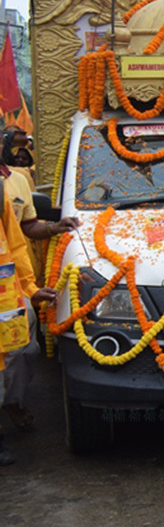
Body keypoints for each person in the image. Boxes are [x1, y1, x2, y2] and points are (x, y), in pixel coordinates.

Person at [0, 188, 57, 465]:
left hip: (5, 293)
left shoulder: (0, 190)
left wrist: (30, 288)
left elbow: (16, 245)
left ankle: (12, 401)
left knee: (23, 349)